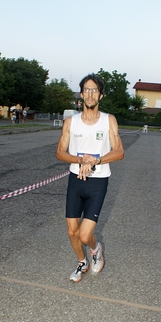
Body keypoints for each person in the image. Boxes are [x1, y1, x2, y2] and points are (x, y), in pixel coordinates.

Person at [56, 73, 124, 282]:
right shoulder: (71, 122)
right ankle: (81, 262)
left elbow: (119, 151)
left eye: (95, 90)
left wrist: (94, 160)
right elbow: (60, 152)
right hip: (76, 180)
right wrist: (79, 159)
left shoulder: (108, 120)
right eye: (87, 89)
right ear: (82, 94)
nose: (90, 94)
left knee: (85, 236)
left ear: (100, 95)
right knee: (71, 232)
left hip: (98, 181)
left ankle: (95, 249)